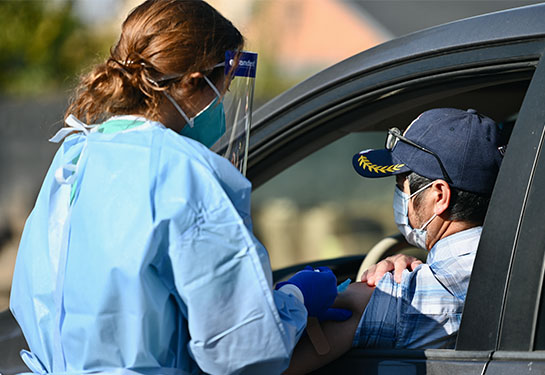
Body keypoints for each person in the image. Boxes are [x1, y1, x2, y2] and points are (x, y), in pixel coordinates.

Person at [9, 1, 349, 374]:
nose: (223, 103)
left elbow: (39, 303)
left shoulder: (74, 157)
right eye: (225, 86)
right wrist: (295, 299)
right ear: (193, 82)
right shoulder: (186, 173)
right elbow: (243, 351)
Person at [285, 107, 504, 373]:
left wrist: (292, 294)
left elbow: (256, 354)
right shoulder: (515, 259)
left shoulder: (412, 296)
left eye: (402, 185)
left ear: (439, 196)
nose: (400, 195)